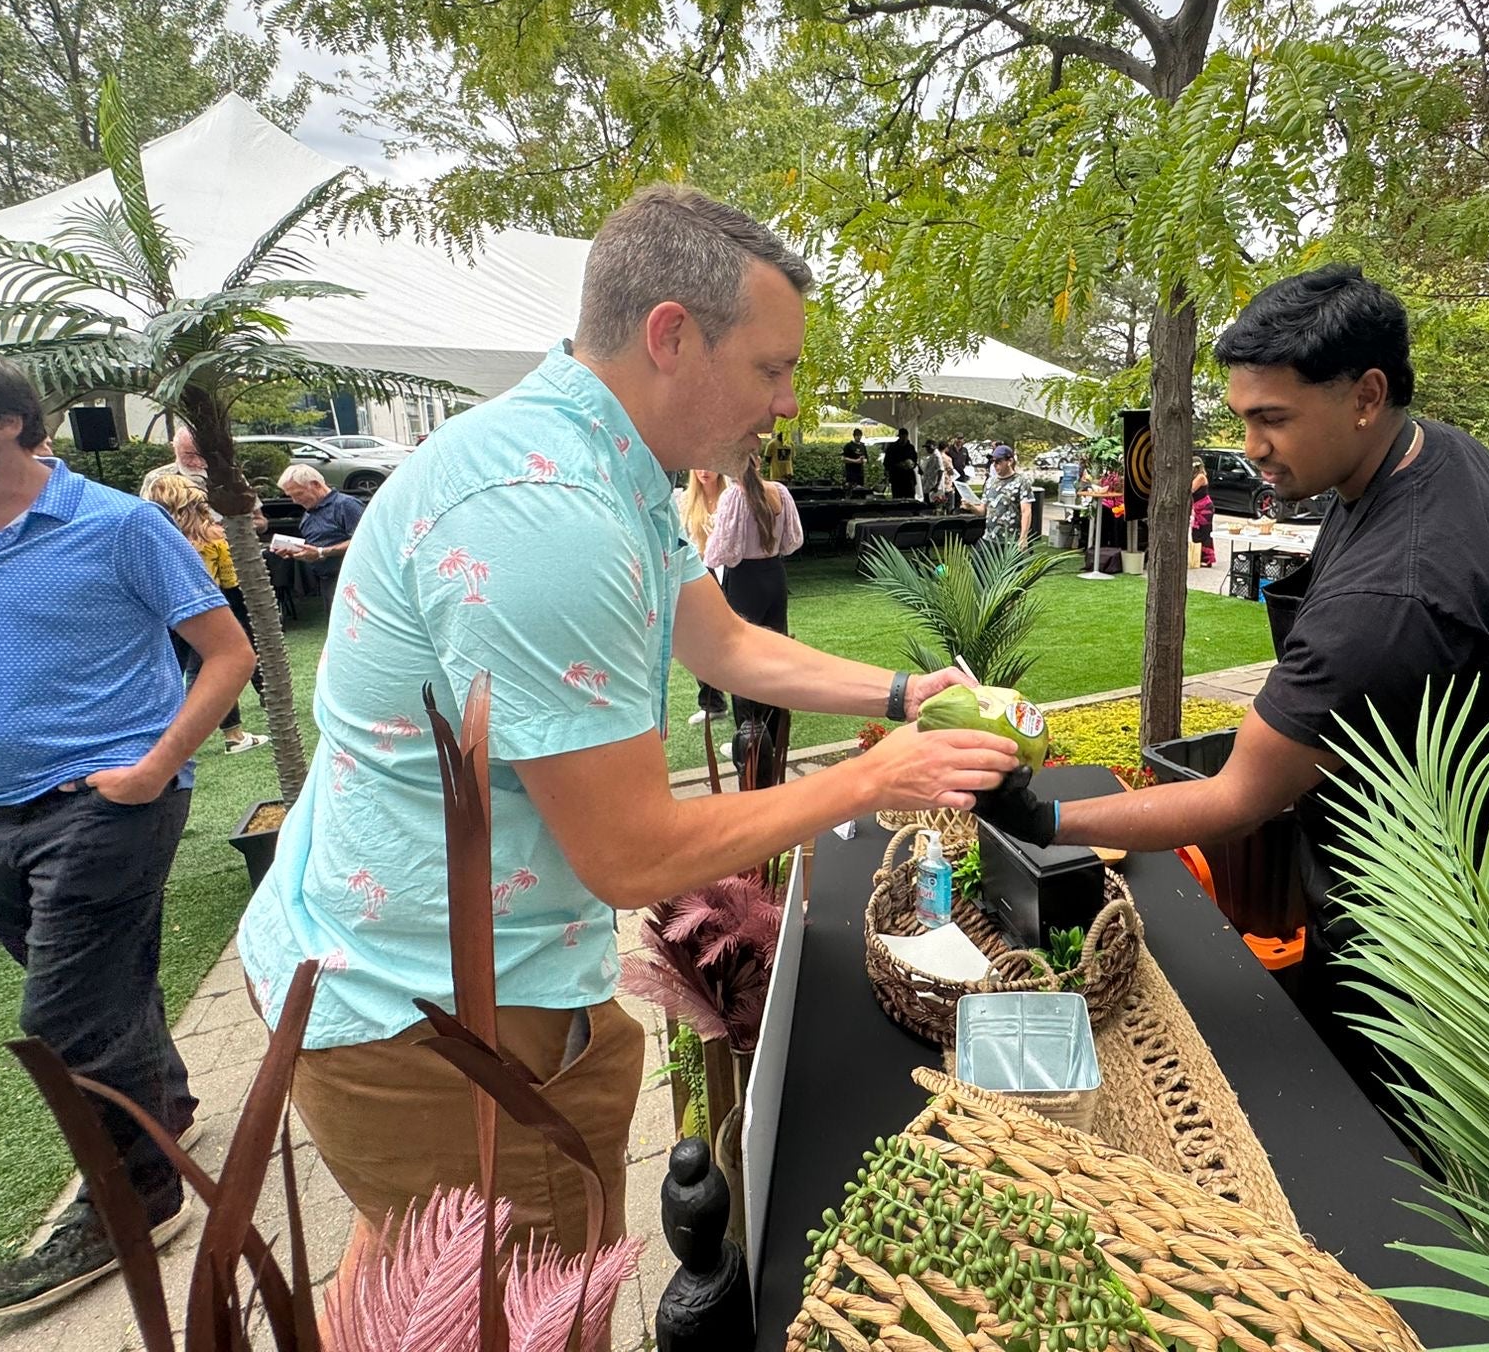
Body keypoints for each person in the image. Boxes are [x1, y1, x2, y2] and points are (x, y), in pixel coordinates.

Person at [235, 184, 1017, 1278]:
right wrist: (873, 781)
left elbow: (723, 644)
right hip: (432, 1017)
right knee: (526, 1307)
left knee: (399, 1285)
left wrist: (898, 696)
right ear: (671, 336)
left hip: (433, 970)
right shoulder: (547, 518)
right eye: (772, 368)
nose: (787, 403)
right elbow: (631, 855)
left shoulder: (608, 463)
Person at [972, 266, 1489, 1097]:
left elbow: (1237, 799)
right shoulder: (1434, 453)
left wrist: (1039, 817)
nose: (1252, 446)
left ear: (1366, 395)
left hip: (1455, 941)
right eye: (1243, 419)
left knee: (1384, 1127)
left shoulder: (1392, 596)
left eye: (1273, 419)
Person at [0, 349, 257, 1318]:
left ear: (4, 425)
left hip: (104, 800)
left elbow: (228, 653)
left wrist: (154, 769)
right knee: (103, 985)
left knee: (65, 1014)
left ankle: (137, 1197)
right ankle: (165, 1111)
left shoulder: (118, 524)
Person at [146, 473, 270, 755]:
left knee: (169, 674)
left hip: (163, 616)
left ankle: (155, 737)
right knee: (217, 669)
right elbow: (230, 580)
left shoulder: (151, 539)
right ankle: (232, 735)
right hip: (206, 612)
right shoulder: (213, 537)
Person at [705, 453, 807, 786]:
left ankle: (748, 740)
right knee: (774, 655)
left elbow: (723, 552)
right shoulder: (780, 492)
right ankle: (773, 738)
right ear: (759, 462)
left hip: (744, 580)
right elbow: (793, 541)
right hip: (774, 577)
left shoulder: (734, 496)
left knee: (742, 658)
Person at [140, 425, 267, 534]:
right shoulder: (157, 479)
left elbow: (261, 522)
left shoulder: (229, 476)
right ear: (174, 449)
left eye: (201, 455)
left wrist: (232, 528)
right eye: (188, 455)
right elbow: (146, 525)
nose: (197, 462)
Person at [677, 468, 731, 724]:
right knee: (699, 639)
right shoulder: (686, 500)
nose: (704, 471)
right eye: (698, 466)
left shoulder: (731, 497)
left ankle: (748, 703)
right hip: (699, 572)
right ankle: (712, 703)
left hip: (730, 570)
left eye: (708, 465)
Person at [276, 462, 366, 589]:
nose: (295, 501)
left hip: (352, 579)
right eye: (291, 496)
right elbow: (315, 547)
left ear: (316, 484)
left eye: (299, 494)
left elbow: (364, 541)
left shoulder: (345, 505)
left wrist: (321, 552)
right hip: (326, 581)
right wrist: (297, 552)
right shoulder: (310, 510)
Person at [968, 443, 1035, 548]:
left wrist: (1023, 537)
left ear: (1010, 461)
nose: (994, 465)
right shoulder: (990, 482)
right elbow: (982, 511)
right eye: (993, 461)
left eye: (998, 461)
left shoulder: (1021, 481)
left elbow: (1026, 511)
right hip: (988, 539)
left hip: (1010, 542)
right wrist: (971, 507)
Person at [1189, 457, 1217, 567]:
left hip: (1204, 509)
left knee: (1205, 533)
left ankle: (1207, 559)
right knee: (1196, 533)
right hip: (1197, 508)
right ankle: (1198, 557)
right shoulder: (1195, 477)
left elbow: (1191, 489)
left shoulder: (1201, 477)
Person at [885, 426, 919, 500]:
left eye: (905, 437)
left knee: (910, 498)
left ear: (907, 436)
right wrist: (897, 465)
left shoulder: (911, 448)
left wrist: (911, 465)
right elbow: (887, 462)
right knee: (897, 498)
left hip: (909, 477)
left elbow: (915, 460)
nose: (903, 439)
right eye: (902, 436)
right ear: (899, 437)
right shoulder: (892, 448)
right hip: (896, 477)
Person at [841, 427, 869, 492]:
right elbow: (843, 458)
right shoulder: (849, 446)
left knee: (860, 490)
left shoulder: (862, 446)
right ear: (854, 436)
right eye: (857, 436)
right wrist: (855, 461)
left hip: (860, 473)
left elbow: (866, 458)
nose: (859, 437)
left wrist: (863, 460)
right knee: (850, 489)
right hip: (851, 472)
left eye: (860, 436)